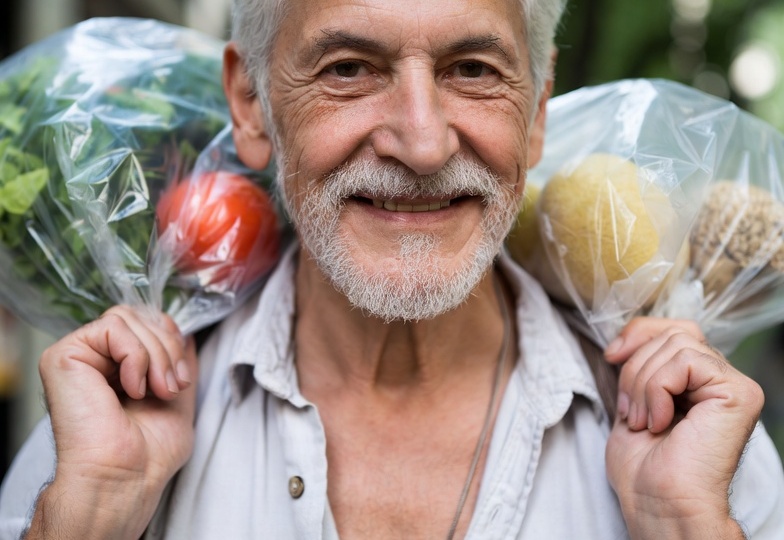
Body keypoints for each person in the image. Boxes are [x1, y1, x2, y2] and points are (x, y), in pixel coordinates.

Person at [2, 0, 784, 538]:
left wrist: (683, 527)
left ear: (537, 111)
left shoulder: (694, 453)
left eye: (473, 69)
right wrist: (95, 511)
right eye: (349, 68)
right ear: (251, 103)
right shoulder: (103, 443)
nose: (422, 143)